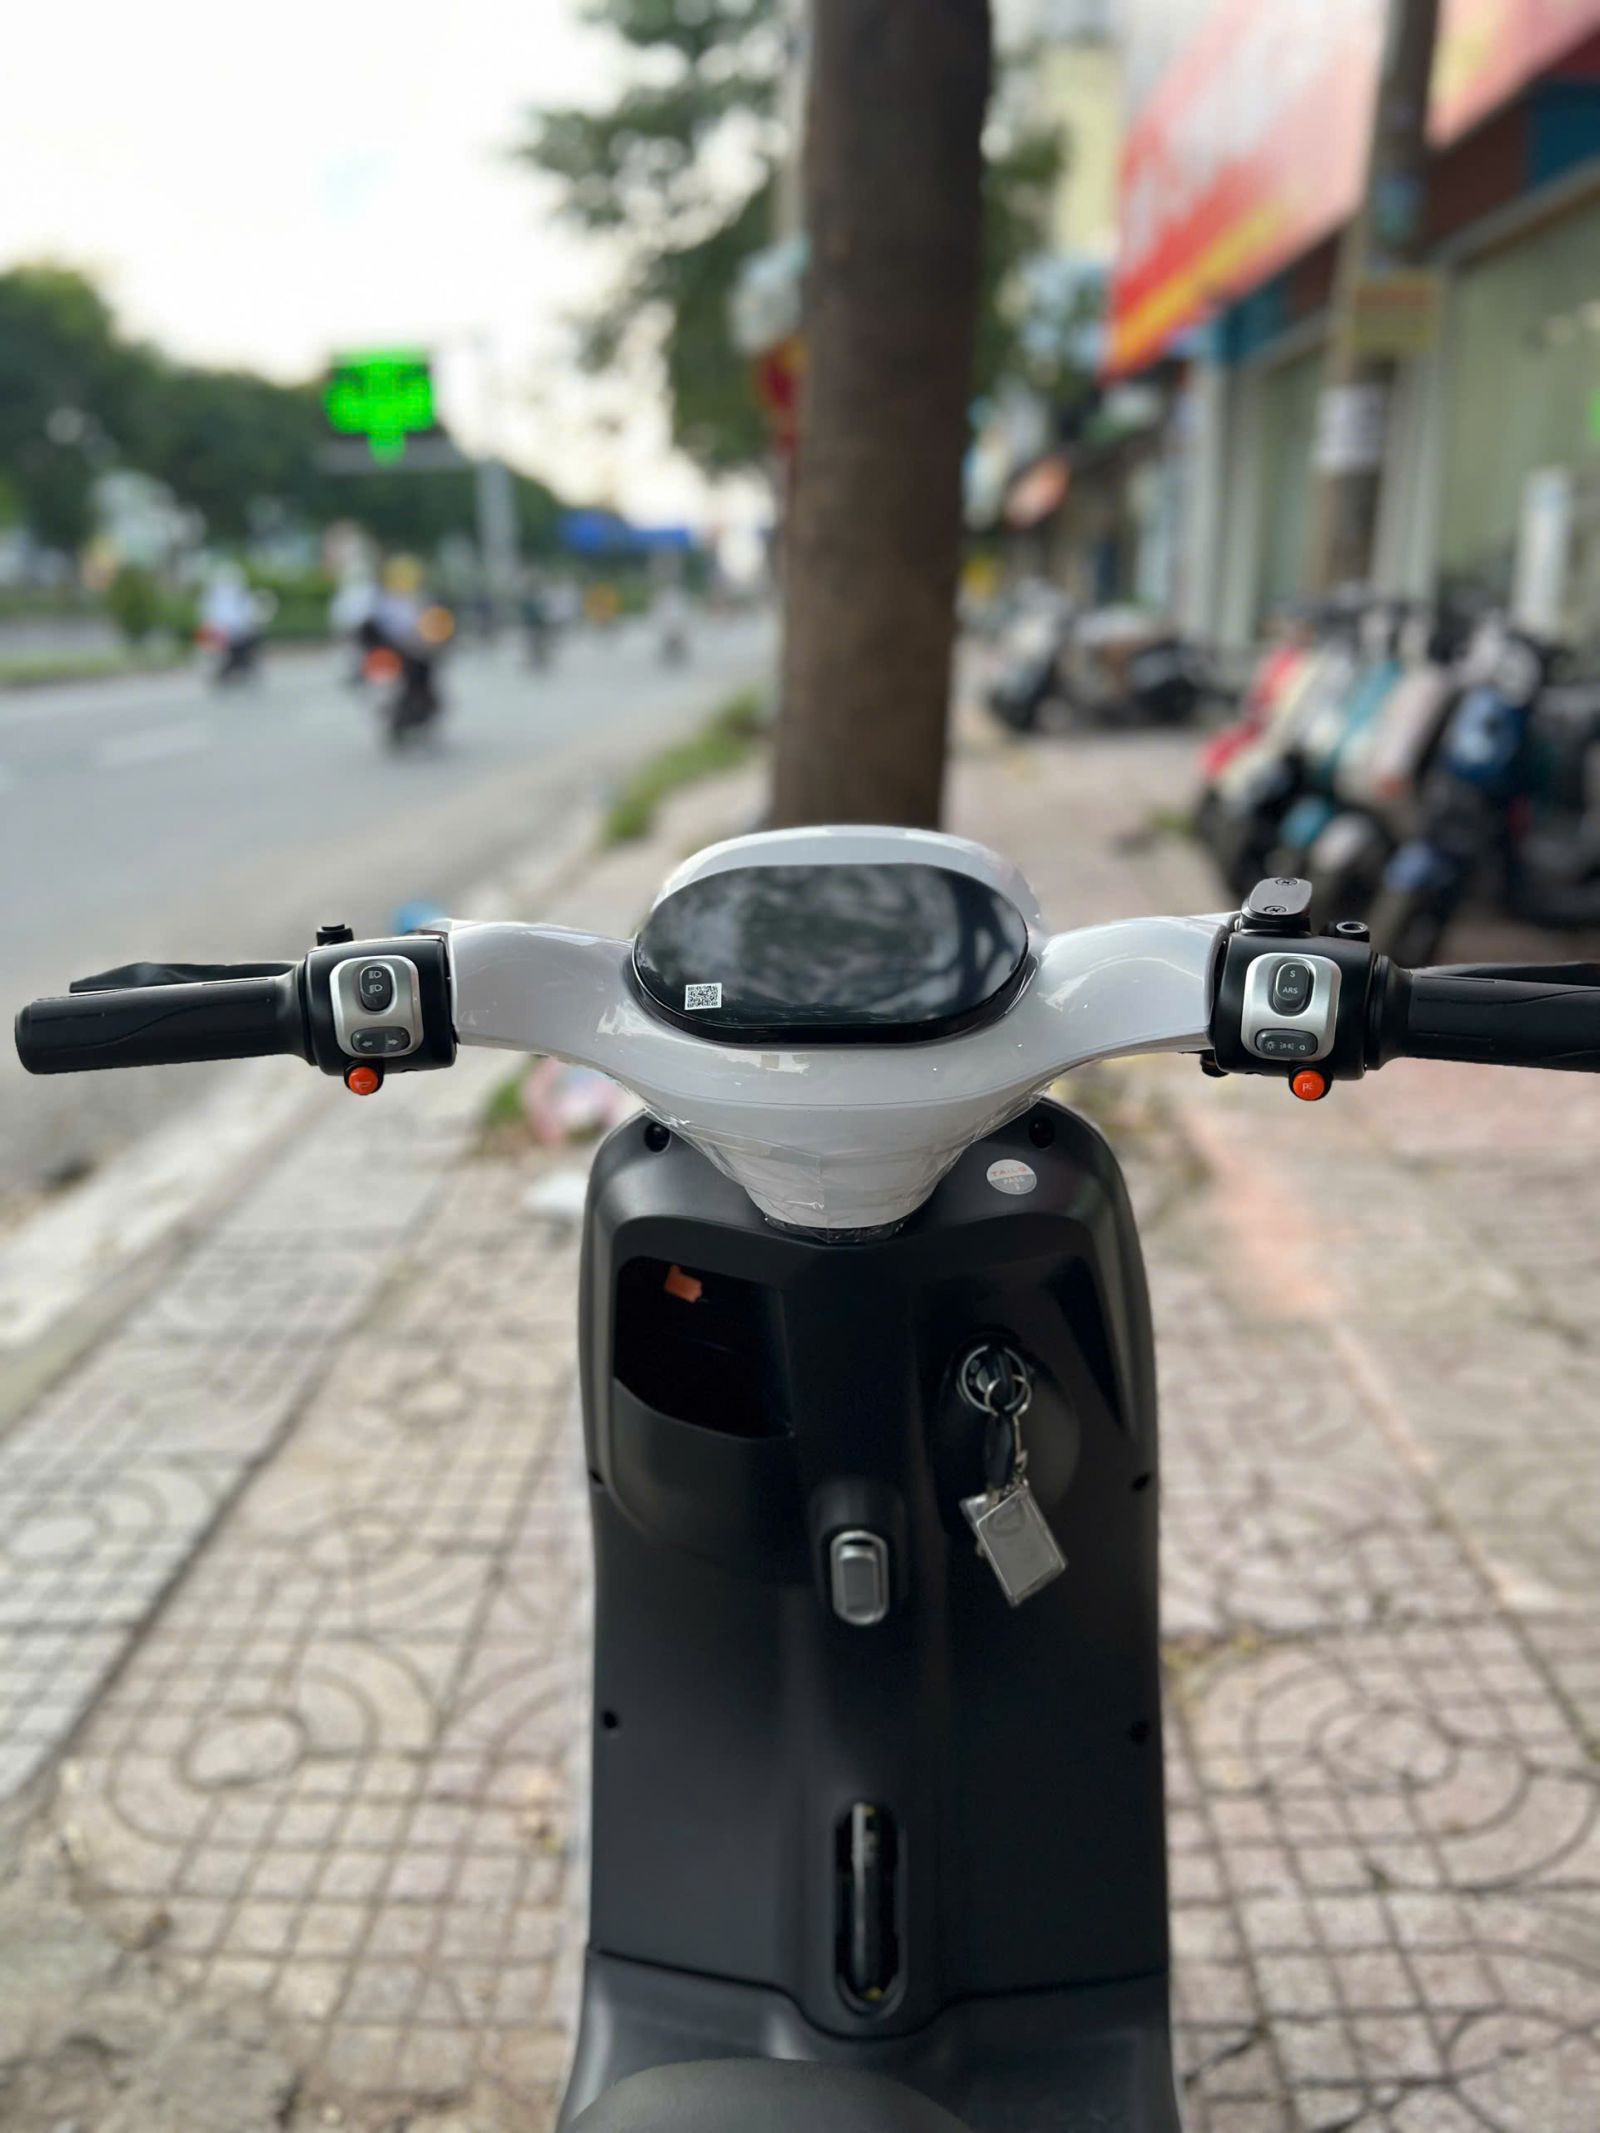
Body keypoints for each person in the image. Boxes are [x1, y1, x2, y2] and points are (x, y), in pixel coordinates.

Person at [201, 563, 263, 685]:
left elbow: (248, 614)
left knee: (246, 648)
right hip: (222, 635)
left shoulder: (241, 596)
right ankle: (226, 672)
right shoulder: (214, 597)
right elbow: (211, 618)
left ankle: (243, 668)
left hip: (240, 633)